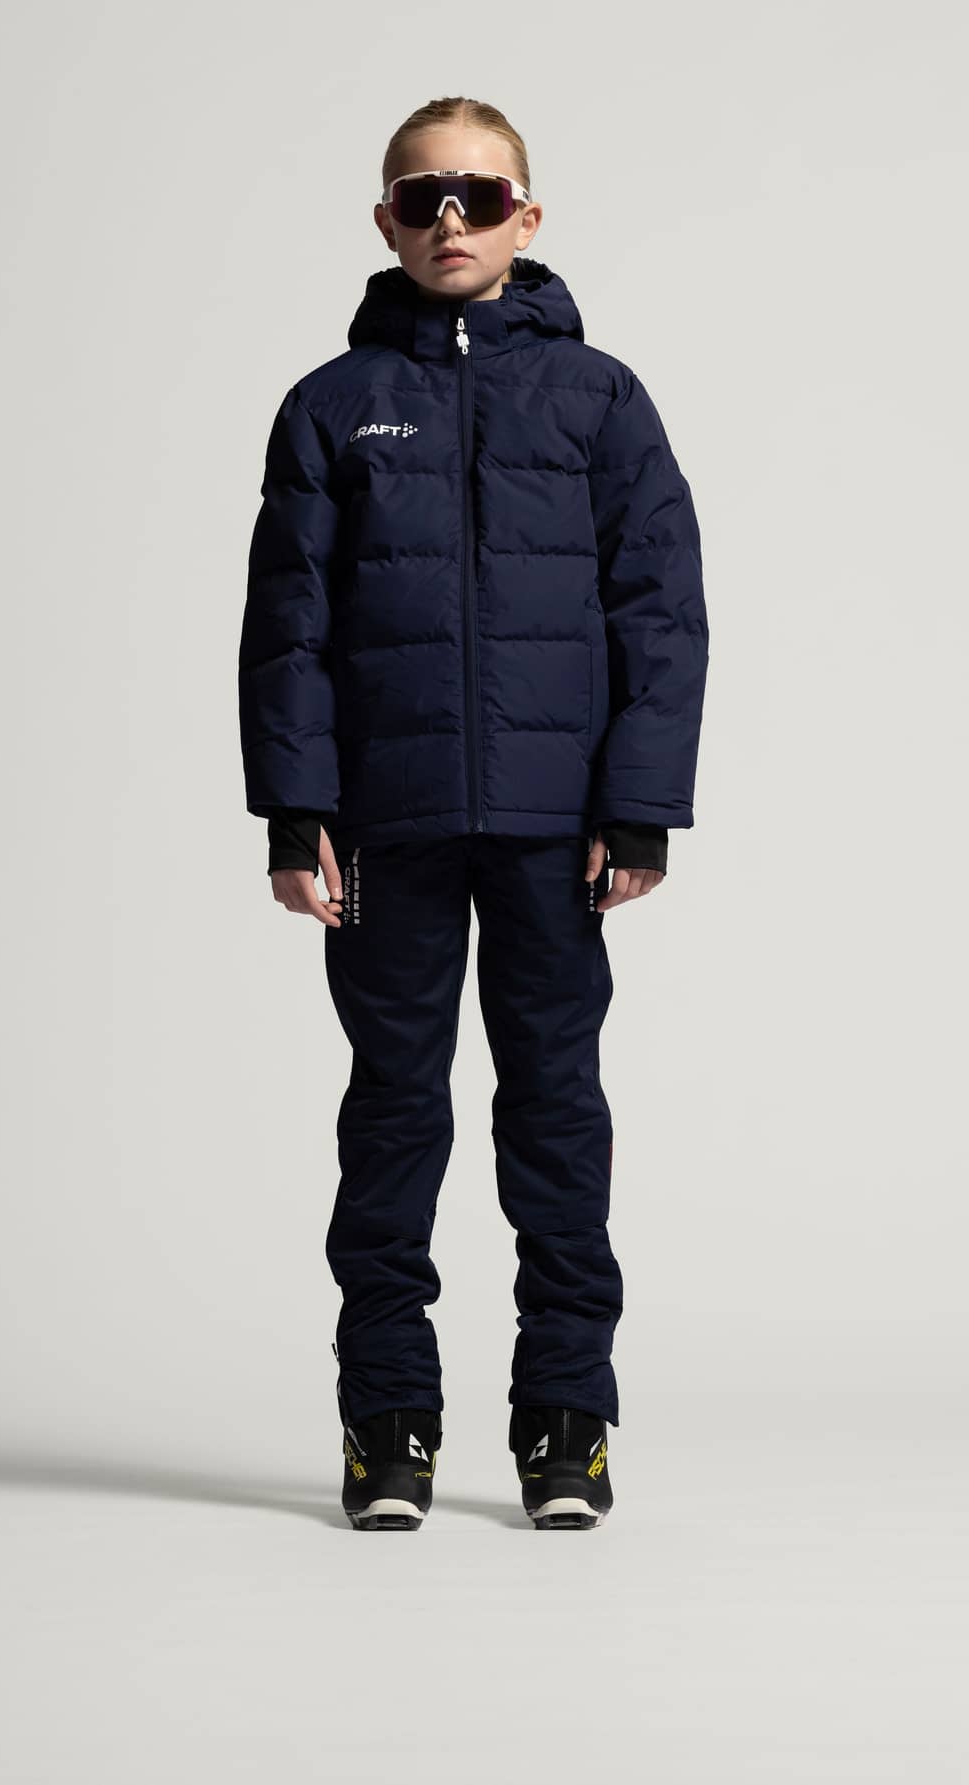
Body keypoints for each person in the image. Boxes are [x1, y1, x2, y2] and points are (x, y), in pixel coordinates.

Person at [238, 96, 709, 1529]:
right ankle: (387, 1419)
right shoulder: (331, 405)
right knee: (393, 1114)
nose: (453, 219)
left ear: (528, 216)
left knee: (553, 1111)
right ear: (385, 221)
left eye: (481, 196)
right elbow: (287, 626)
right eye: (422, 196)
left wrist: (637, 807)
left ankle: (567, 1419)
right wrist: (295, 809)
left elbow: (660, 609)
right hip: (386, 826)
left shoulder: (598, 399)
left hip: (555, 830)